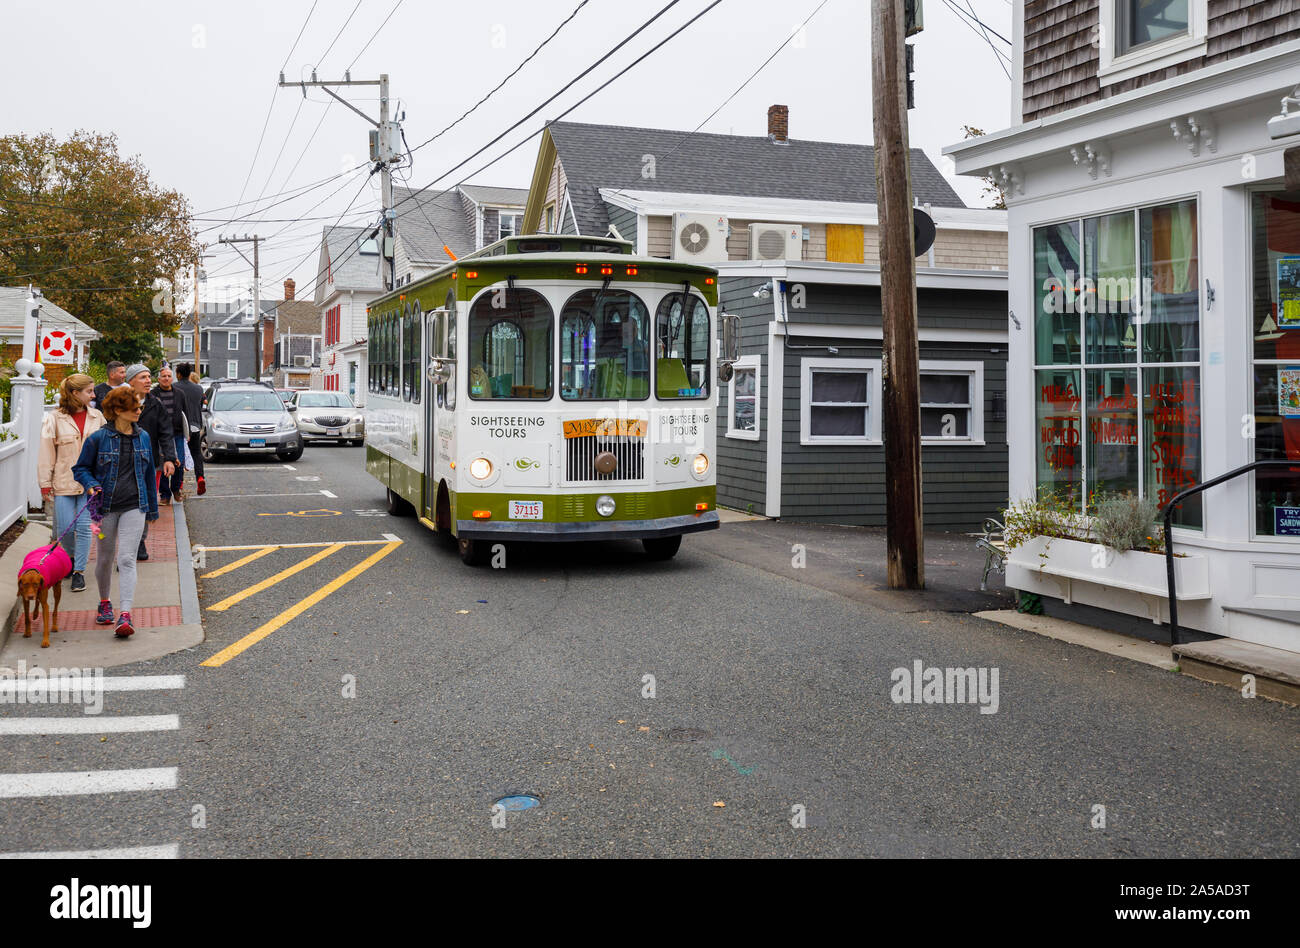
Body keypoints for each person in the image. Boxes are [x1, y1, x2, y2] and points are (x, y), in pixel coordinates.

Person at [72, 387, 158, 639]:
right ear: (118, 411)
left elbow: (149, 474)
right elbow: (80, 468)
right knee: (105, 559)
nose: (139, 412)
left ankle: (126, 614)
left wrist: (152, 509)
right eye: (135, 408)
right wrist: (91, 484)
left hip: (135, 506)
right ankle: (105, 601)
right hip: (104, 508)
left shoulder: (143, 438)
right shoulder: (98, 439)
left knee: (127, 559)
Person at [37, 373, 105, 593]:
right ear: (75, 393)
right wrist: (45, 482)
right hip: (64, 481)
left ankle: (79, 572)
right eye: (89, 391)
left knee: (85, 528)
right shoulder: (54, 418)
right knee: (65, 529)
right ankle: (70, 559)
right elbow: (47, 452)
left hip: (91, 484)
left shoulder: (98, 417)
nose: (94, 395)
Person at [123, 364, 178, 560]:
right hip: (123, 463)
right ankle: (126, 545)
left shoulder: (155, 404)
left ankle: (139, 542)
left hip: (149, 462)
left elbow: (166, 432)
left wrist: (169, 458)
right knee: (126, 503)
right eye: (142, 377)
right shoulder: (119, 403)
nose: (148, 381)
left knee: (144, 502)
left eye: (148, 377)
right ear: (130, 381)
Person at [151, 367, 189, 504]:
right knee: (162, 465)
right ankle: (165, 494)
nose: (166, 378)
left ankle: (176, 488)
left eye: (168, 376)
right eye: (163, 376)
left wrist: (187, 432)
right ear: (159, 379)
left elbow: (185, 414)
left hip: (178, 433)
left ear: (172, 378)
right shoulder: (153, 394)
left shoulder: (180, 394)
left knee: (179, 463)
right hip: (159, 435)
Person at [173, 361, 206, 495]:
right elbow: (200, 405)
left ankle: (179, 483)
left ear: (179, 374)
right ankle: (200, 477)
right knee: (196, 454)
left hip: (179, 426)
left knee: (179, 455)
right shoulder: (198, 388)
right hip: (195, 425)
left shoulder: (174, 387)